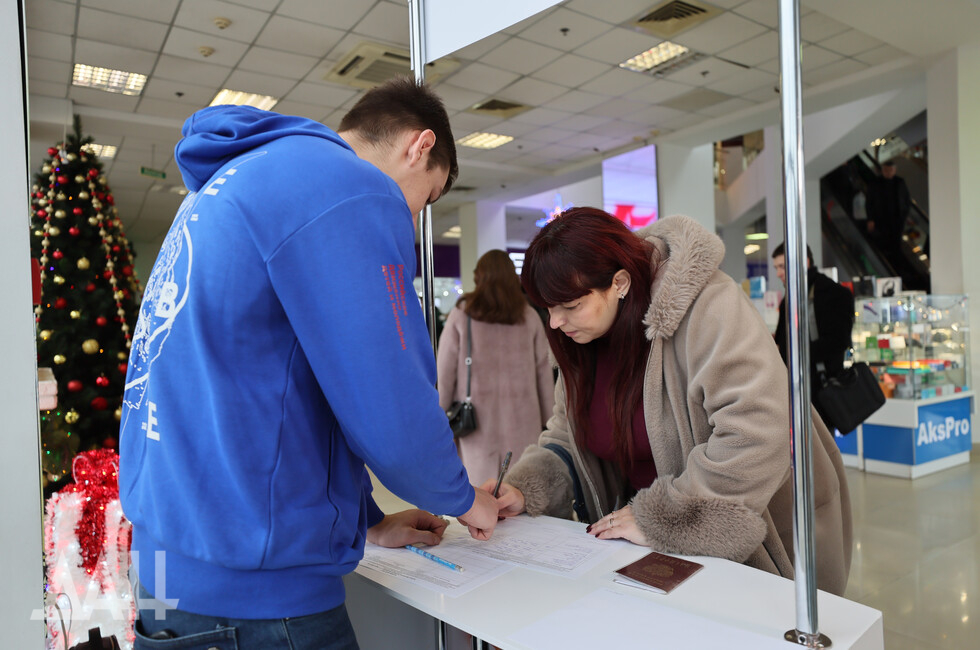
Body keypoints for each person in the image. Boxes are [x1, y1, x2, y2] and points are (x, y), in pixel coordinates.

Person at [118, 77, 499, 649]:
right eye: (429, 195)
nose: (414, 213)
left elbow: (277, 380)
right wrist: (467, 501)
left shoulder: (241, 178)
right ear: (419, 147)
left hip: (169, 564)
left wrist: (369, 519)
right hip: (255, 591)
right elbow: (389, 397)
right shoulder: (352, 187)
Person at [486, 209, 852, 596]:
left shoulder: (708, 306)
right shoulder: (580, 339)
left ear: (620, 283)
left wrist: (665, 517)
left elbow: (759, 429)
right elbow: (568, 435)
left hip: (760, 537)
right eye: (547, 309)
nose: (555, 322)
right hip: (646, 553)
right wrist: (526, 488)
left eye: (571, 306)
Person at [437, 249, 555, 485]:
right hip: (524, 419)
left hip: (476, 422)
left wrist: (440, 417)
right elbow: (544, 371)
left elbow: (445, 371)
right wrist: (549, 420)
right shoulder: (528, 316)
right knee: (521, 491)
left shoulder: (462, 315)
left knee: (480, 492)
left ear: (479, 277)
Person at [771, 243, 856, 431]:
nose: (778, 273)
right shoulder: (790, 298)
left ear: (804, 262)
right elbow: (781, 341)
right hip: (794, 391)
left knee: (823, 454)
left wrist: (793, 353)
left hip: (821, 394)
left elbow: (838, 341)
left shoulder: (834, 294)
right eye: (776, 267)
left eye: (782, 266)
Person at [865, 160, 911, 258]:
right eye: (886, 170)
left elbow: (907, 200)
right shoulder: (875, 183)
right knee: (882, 242)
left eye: (890, 170)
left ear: (894, 170)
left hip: (897, 219)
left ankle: (896, 261)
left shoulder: (899, 182)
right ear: (882, 170)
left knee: (896, 243)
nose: (888, 172)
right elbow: (869, 202)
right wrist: (870, 219)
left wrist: (904, 215)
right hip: (880, 219)